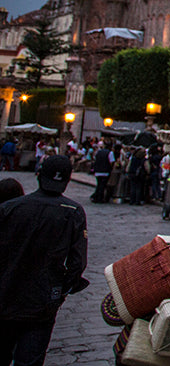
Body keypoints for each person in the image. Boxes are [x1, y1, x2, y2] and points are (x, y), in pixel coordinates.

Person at [0, 156, 88, 366]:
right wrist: (62, 290)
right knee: (30, 360)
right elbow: (77, 263)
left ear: (39, 175)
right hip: (43, 300)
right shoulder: (73, 212)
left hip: (5, 294)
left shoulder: (9, 208)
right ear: (67, 180)